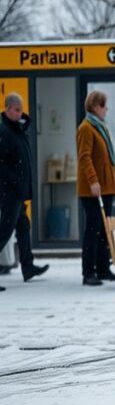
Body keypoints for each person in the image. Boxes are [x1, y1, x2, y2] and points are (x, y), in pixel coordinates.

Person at [0, 93, 49, 290]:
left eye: (22, 109)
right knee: (4, 230)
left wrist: (23, 121)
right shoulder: (4, 131)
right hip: (10, 191)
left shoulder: (16, 129)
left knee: (23, 226)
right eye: (17, 110)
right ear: (8, 109)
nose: (21, 113)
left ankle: (27, 266)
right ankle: (27, 265)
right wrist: (14, 181)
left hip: (18, 191)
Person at [77, 90, 115, 287]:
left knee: (104, 229)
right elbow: (85, 157)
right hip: (94, 189)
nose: (106, 109)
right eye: (104, 105)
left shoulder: (100, 127)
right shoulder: (87, 128)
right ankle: (89, 271)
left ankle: (103, 267)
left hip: (107, 187)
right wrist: (93, 181)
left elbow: (108, 158)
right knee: (93, 229)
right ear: (95, 107)